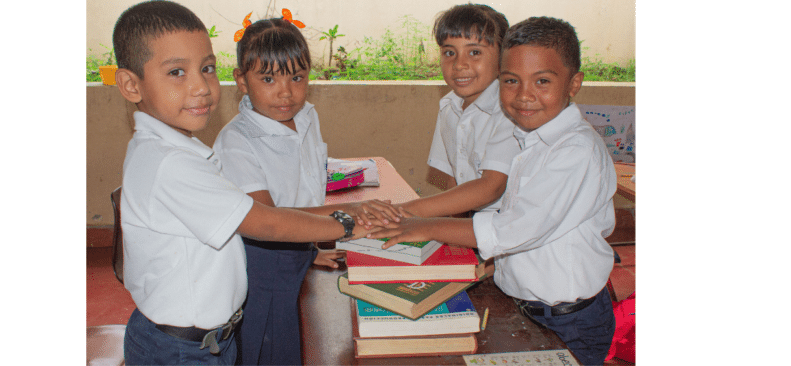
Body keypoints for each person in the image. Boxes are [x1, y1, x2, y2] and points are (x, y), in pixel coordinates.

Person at [109, 2, 387, 364]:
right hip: (181, 350)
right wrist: (348, 222)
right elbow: (266, 220)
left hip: (207, 340)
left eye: (207, 69)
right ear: (132, 85)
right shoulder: (169, 163)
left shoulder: (180, 150)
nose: (201, 88)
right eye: (177, 72)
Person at [371, 16, 618, 366]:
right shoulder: (531, 139)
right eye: (511, 81)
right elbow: (516, 228)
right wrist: (493, 269)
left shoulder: (575, 151)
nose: (524, 96)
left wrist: (420, 225)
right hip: (530, 307)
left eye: (542, 81)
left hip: (569, 319)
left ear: (574, 83)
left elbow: (512, 230)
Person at [212, 15, 401, 365]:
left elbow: (303, 188)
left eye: (296, 77)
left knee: (299, 339)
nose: (286, 92)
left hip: (298, 245)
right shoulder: (236, 142)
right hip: (261, 265)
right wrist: (347, 217)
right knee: (268, 348)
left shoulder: (306, 116)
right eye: (268, 79)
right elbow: (269, 219)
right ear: (241, 80)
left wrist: (310, 249)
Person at [396, 4, 520, 219]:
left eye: (474, 52)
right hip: (474, 227)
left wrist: (405, 212)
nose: (460, 64)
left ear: (503, 59)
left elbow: (491, 187)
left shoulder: (510, 111)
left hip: (513, 228)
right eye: (449, 53)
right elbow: (455, 181)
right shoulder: (449, 106)